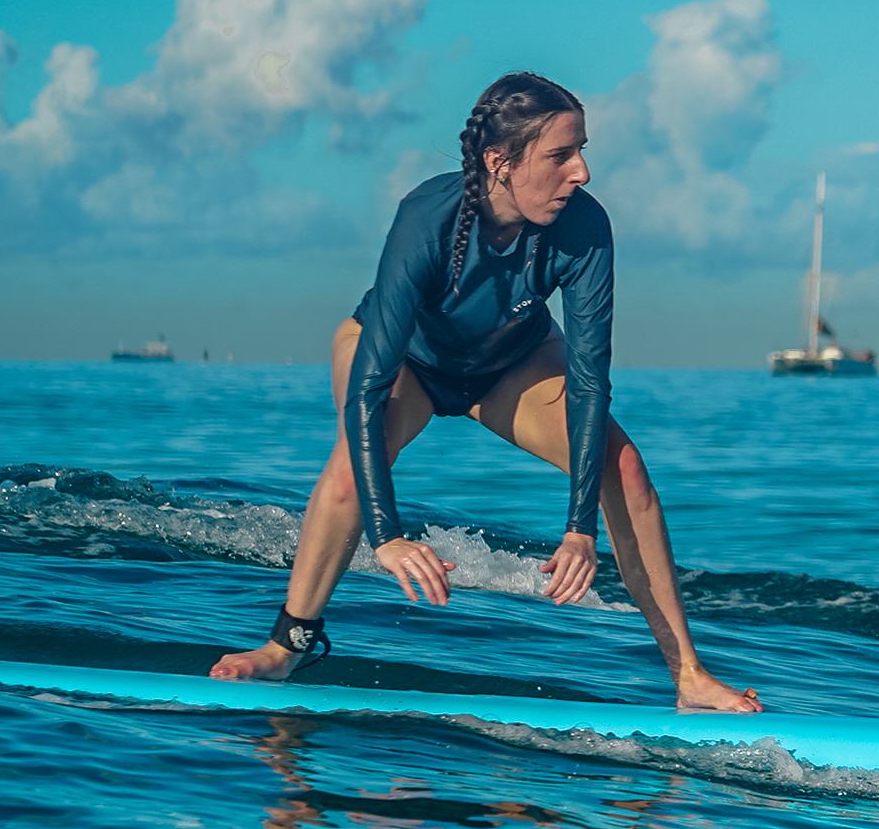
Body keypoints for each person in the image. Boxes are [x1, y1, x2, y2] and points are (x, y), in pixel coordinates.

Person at [210, 71, 759, 712]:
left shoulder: (583, 227)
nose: (580, 171)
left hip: (510, 362)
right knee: (348, 475)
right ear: (501, 162)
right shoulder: (427, 218)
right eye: (560, 155)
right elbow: (370, 386)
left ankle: (689, 676)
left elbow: (588, 381)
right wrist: (386, 535)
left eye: (583, 150)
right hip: (408, 361)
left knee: (625, 469)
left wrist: (580, 529)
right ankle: (286, 646)